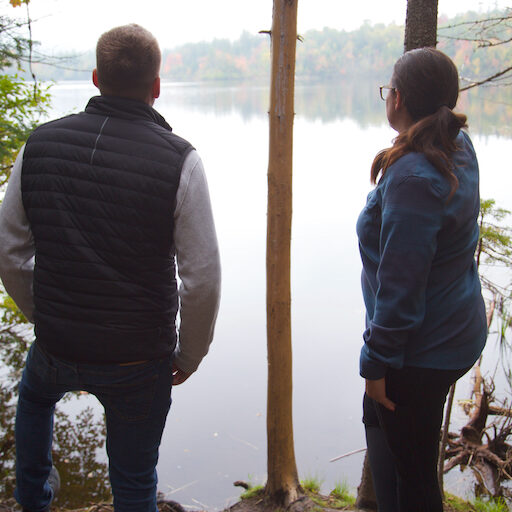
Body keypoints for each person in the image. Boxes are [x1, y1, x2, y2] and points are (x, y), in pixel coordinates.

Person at [0, 24, 221, 512]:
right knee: (135, 479)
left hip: (58, 345)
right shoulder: (181, 161)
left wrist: (45, 314)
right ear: (156, 86)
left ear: (96, 78)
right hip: (139, 358)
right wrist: (191, 353)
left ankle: (33, 498)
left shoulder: (39, 146)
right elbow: (201, 278)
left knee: (35, 398)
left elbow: (9, 251)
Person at [357, 47, 487, 512]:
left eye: (389, 88)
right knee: (387, 435)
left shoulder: (415, 176)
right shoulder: (454, 142)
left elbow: (401, 292)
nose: (387, 96)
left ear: (399, 99)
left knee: (414, 478)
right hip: (453, 328)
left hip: (419, 349)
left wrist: (375, 363)